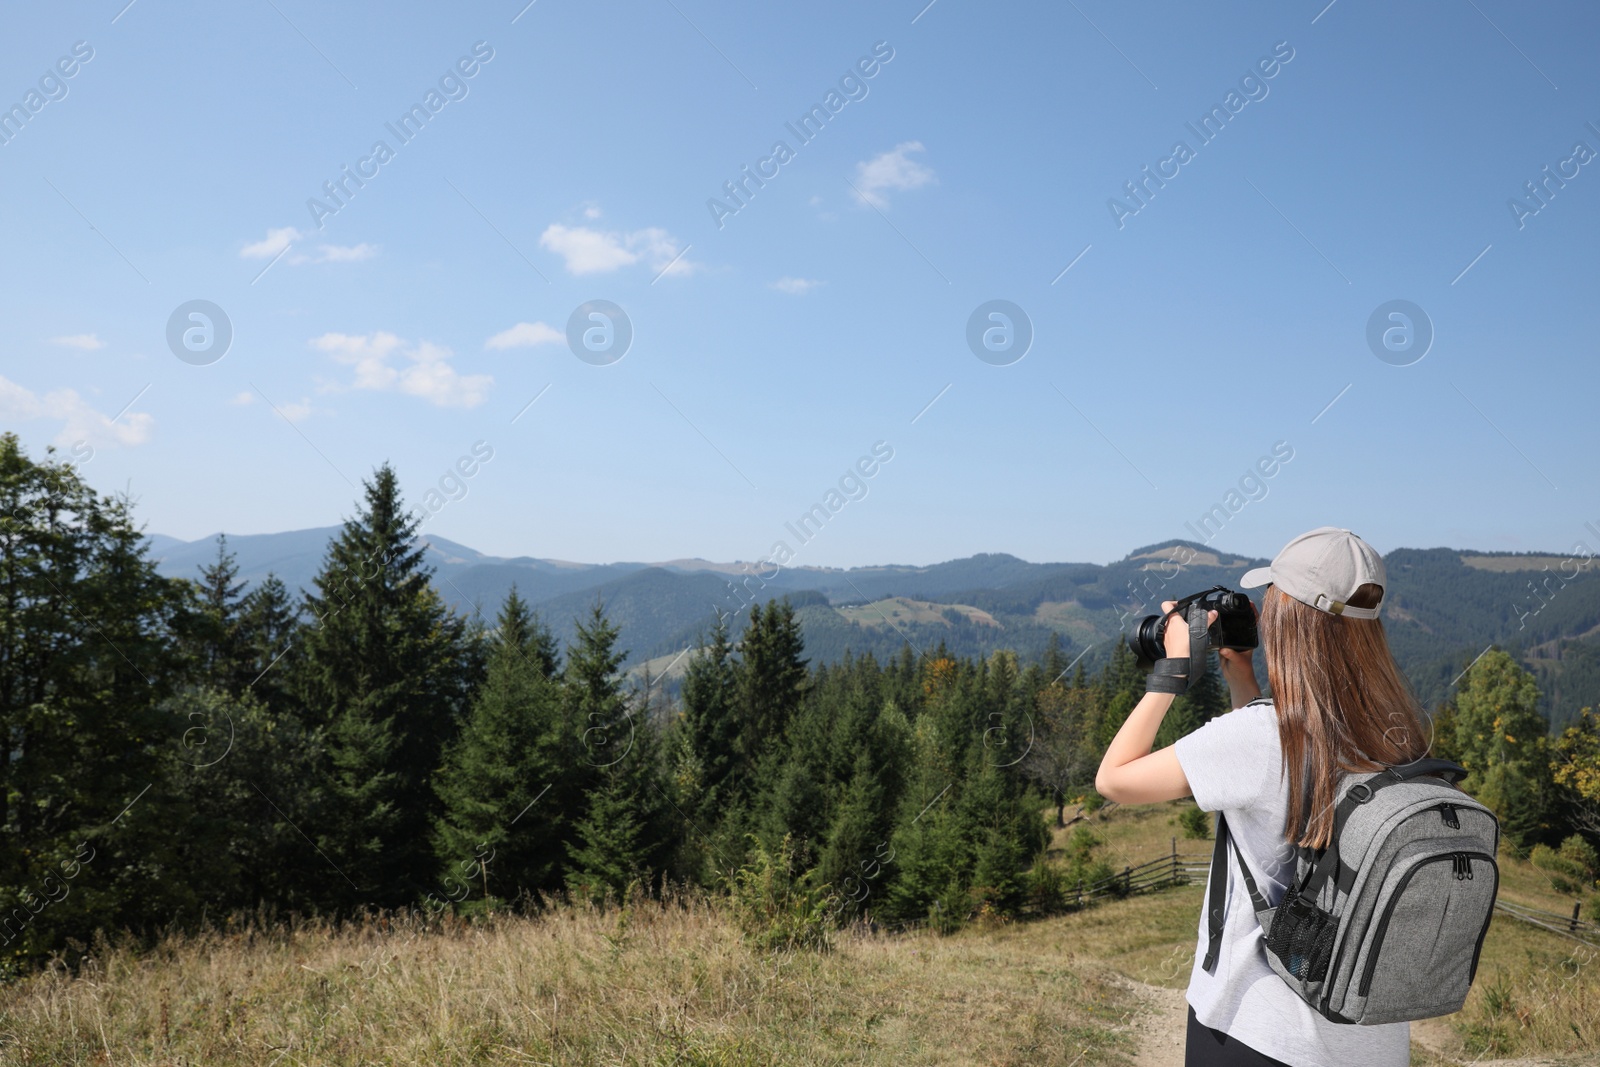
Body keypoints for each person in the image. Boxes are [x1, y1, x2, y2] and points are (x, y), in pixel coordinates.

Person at [1096, 527, 1429, 1067]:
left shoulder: (1262, 737)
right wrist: (1241, 673)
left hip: (1256, 1031)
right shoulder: (1399, 738)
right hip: (1370, 1040)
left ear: (1287, 617)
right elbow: (1270, 780)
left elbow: (1114, 779)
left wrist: (1173, 670)